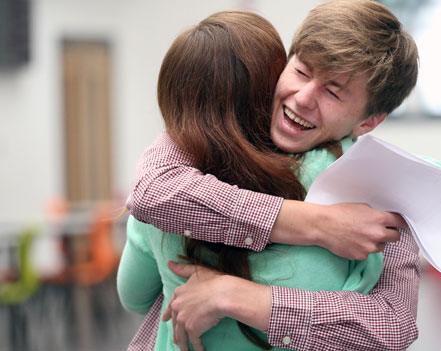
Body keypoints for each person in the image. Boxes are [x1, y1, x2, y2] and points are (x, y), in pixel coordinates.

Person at [126, 0, 421, 349]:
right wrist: (317, 224)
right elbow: (151, 192)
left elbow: (391, 326)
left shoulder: (384, 197)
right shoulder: (201, 145)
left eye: (332, 91)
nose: (303, 97)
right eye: (301, 71)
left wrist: (237, 296)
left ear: (368, 121)